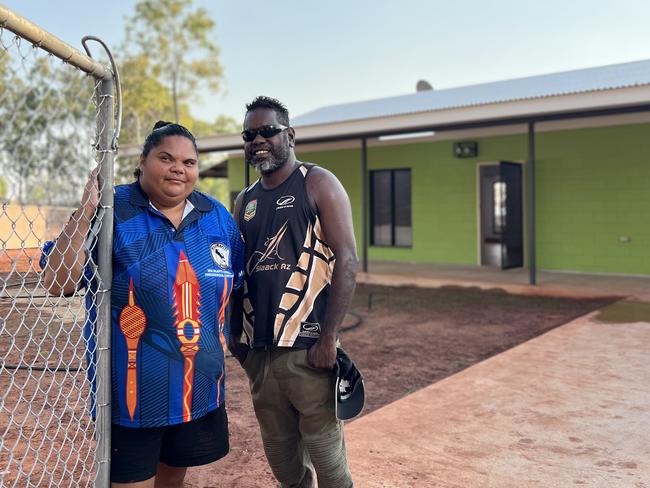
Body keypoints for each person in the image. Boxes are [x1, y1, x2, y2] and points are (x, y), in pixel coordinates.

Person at [41, 121, 244, 488]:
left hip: (197, 394)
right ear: (143, 161)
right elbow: (58, 282)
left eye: (188, 161)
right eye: (166, 158)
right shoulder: (113, 210)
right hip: (132, 401)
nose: (178, 169)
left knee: (172, 482)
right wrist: (86, 210)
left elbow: (236, 284)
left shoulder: (216, 217)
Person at [229, 96, 358, 488]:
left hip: (309, 351)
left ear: (290, 134)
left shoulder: (316, 182)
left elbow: (348, 260)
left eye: (267, 131)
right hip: (260, 357)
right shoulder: (244, 200)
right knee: (286, 469)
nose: (258, 140)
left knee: (330, 468)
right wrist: (237, 340)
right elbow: (236, 273)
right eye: (250, 135)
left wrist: (329, 337)